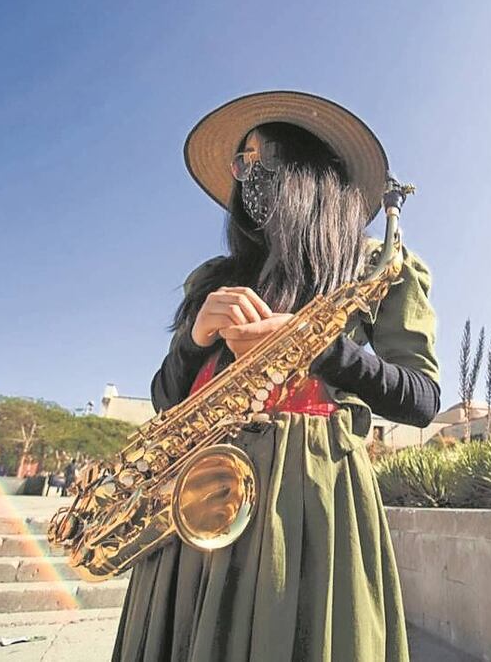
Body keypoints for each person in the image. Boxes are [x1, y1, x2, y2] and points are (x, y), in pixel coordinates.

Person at [111, 91, 440, 662]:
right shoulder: (214, 277)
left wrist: (321, 349)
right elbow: (167, 398)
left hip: (307, 502)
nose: (247, 174)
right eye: (242, 163)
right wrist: (195, 341)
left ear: (309, 171)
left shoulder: (379, 268)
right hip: (192, 495)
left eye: (262, 159)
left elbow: (421, 399)